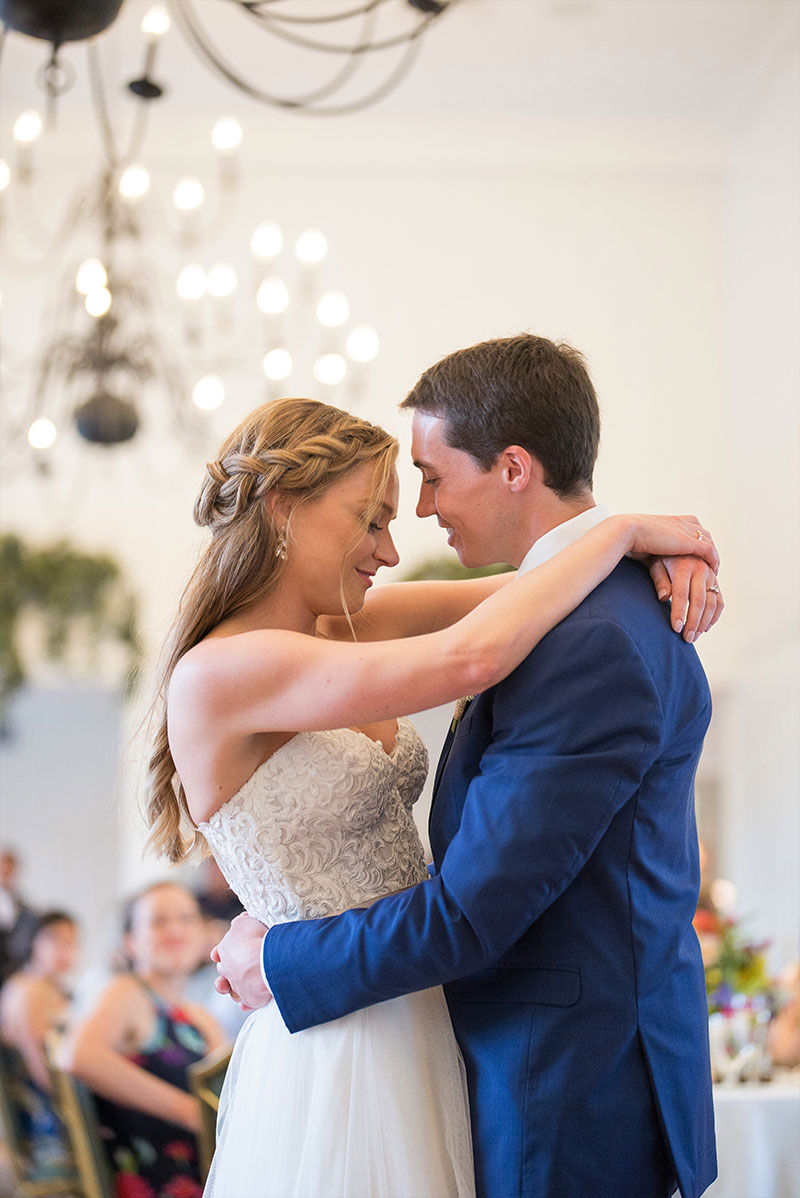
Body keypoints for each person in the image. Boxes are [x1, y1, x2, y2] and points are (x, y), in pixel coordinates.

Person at [155, 391, 720, 1197]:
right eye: (370, 518)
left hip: (426, 1019)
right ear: (282, 508)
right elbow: (469, 658)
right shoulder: (221, 672)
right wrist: (625, 530)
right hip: (339, 1043)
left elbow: (535, 593)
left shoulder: (348, 626)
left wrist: (654, 560)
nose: (389, 549)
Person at [65, 881, 226, 1198]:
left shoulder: (198, 1015)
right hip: (162, 1182)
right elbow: (77, 1055)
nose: (176, 930)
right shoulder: (128, 992)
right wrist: (193, 1112)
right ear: (130, 942)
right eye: (159, 921)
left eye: (187, 919)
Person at [0, 909, 78, 1175]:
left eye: (71, 941)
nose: (64, 949)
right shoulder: (27, 990)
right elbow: (44, 1073)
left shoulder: (55, 989)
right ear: (32, 940)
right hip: (44, 1122)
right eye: (54, 939)